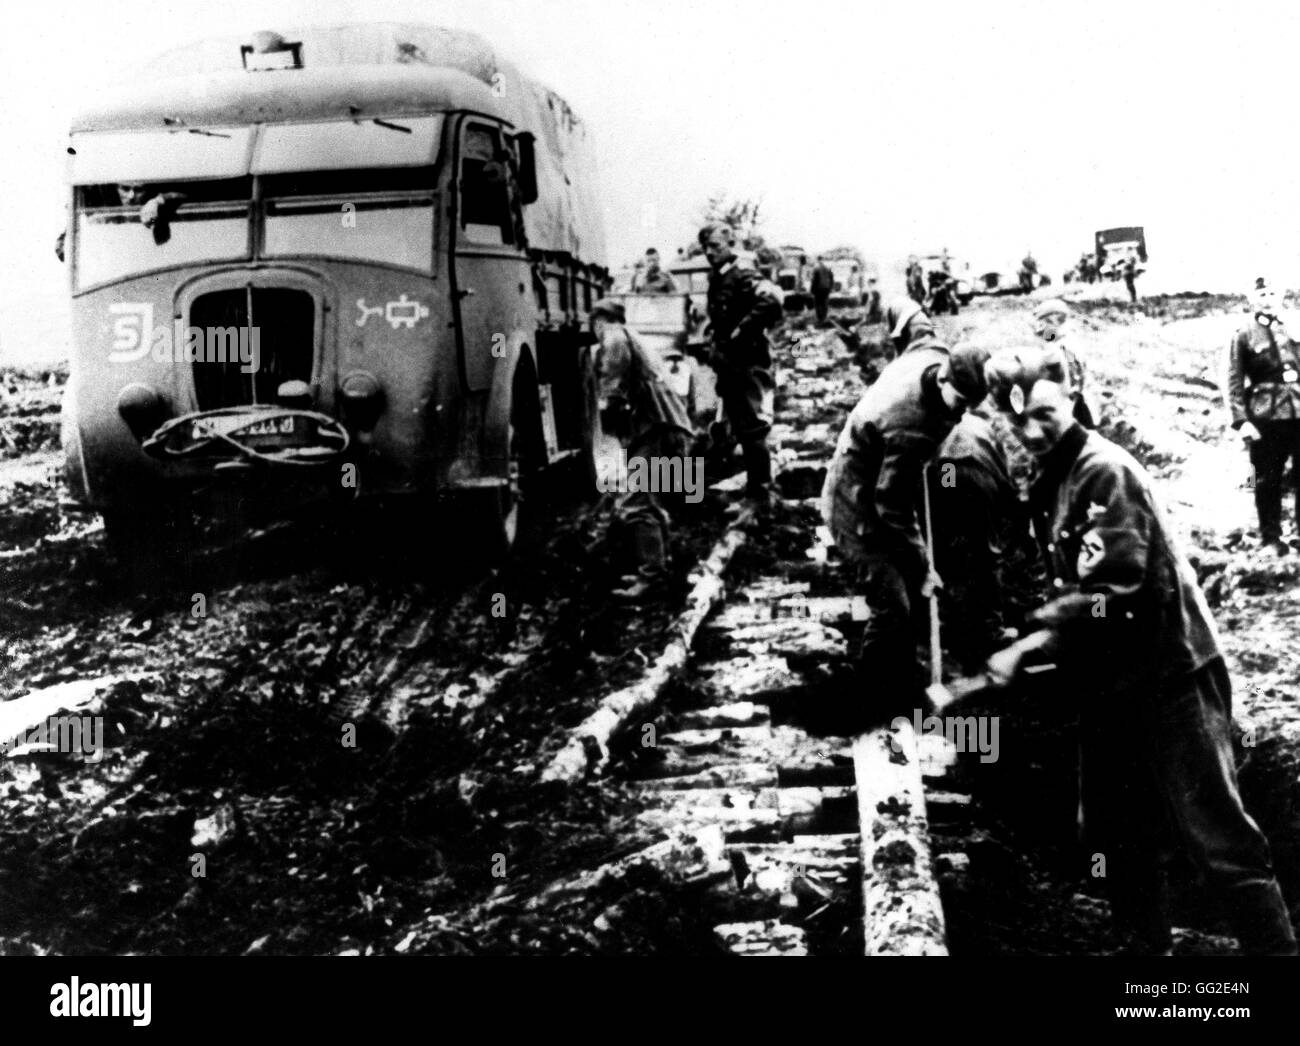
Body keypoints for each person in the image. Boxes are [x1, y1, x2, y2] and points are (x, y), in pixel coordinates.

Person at [981, 344, 1297, 956]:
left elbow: (1112, 596)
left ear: (1071, 397)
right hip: (1112, 684)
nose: (1033, 429)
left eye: (1045, 412)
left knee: (1219, 840)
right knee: (1113, 839)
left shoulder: (1105, 471)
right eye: (1020, 420)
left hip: (1170, 675)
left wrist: (1034, 639)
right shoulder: (1053, 479)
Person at [821, 301, 990, 721]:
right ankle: (871, 701)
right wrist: (923, 565)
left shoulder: (931, 353)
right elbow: (891, 507)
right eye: (961, 401)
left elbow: (914, 319)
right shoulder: (911, 425)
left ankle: (905, 667)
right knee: (893, 602)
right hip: (854, 500)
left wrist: (896, 311)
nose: (963, 412)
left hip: (886, 477)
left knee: (910, 585)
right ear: (946, 380)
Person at [590, 299, 695, 603]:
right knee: (651, 500)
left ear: (600, 319)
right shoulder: (632, 336)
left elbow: (612, 384)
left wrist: (609, 416)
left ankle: (652, 577)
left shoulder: (614, 337)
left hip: (657, 430)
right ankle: (660, 568)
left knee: (637, 502)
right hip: (666, 428)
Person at [698, 222, 784, 512]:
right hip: (731, 366)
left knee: (751, 431)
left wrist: (740, 332)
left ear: (730, 245)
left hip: (746, 363)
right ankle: (754, 492)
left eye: (716, 247)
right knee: (740, 430)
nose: (711, 253)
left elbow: (772, 300)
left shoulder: (742, 274)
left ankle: (760, 497)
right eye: (707, 248)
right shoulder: (719, 277)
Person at [1224, 281, 1300, 555]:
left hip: (1298, 412)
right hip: (1265, 417)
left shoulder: (1292, 328)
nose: (1268, 299)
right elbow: (1233, 380)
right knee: (1266, 479)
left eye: (1272, 294)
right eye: (1262, 295)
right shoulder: (1243, 334)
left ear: (1281, 296)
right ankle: (1271, 538)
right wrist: (1241, 421)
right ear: (1252, 299)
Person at [1030, 298, 1095, 428]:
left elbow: (1073, 377)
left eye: (1044, 324)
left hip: (1072, 406)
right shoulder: (1066, 338)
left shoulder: (1065, 348)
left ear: (1053, 321)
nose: (1041, 330)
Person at [810, 256, 835, 323]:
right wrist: (831, 287)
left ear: (817, 260)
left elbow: (814, 280)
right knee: (825, 303)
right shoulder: (828, 267)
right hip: (826, 288)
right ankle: (824, 317)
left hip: (818, 289)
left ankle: (819, 318)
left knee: (817, 303)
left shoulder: (816, 268)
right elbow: (832, 278)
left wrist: (812, 290)